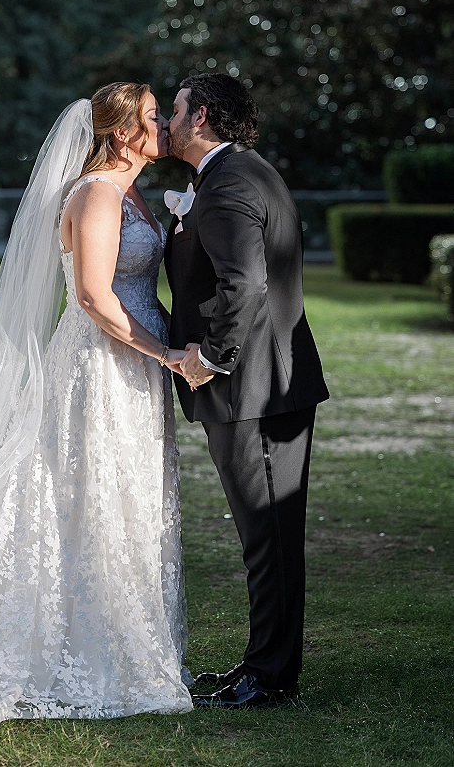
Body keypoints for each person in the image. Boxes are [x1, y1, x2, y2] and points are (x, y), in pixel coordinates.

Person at [0, 82, 193, 743]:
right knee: (84, 496)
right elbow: (94, 298)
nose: (165, 125)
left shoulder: (130, 191)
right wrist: (165, 353)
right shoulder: (97, 193)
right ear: (124, 129)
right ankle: (82, 649)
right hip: (103, 363)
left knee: (124, 498)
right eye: (156, 116)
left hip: (135, 363)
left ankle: (120, 636)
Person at [164, 72, 329, 708]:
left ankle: (270, 677)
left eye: (173, 111)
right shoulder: (240, 171)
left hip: (255, 388)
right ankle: (265, 665)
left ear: (200, 116)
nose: (166, 123)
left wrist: (211, 356)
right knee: (269, 536)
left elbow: (246, 283)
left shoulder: (230, 183)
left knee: (267, 535)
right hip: (270, 383)